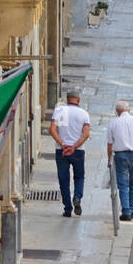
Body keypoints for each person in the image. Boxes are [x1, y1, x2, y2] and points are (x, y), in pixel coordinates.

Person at [48, 88, 90, 217]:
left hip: (61, 150)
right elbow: (86, 134)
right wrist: (74, 146)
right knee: (79, 176)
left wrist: (63, 144)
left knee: (63, 179)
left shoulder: (60, 111)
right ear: (78, 100)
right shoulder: (84, 113)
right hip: (78, 151)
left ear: (67, 99)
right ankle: (77, 197)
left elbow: (52, 129)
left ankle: (67, 208)